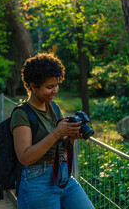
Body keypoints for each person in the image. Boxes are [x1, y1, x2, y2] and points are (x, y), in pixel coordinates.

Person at [10, 53, 94, 209]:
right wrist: (56, 133)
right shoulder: (22, 114)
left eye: (56, 85)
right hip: (37, 180)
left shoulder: (53, 107)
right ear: (33, 85)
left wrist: (72, 136)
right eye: (49, 87)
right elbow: (25, 157)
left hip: (62, 175)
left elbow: (60, 146)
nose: (55, 90)